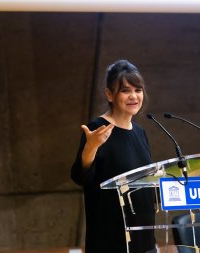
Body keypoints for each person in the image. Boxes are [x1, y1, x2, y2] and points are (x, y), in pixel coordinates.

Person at [71, 60, 156, 253]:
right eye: (125, 91)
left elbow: (147, 184)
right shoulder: (97, 129)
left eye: (138, 89)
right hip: (110, 239)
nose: (134, 96)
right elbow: (81, 176)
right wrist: (90, 148)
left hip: (143, 236)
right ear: (110, 94)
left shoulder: (140, 132)